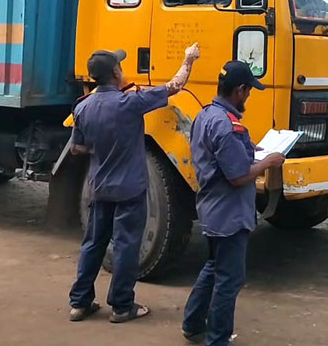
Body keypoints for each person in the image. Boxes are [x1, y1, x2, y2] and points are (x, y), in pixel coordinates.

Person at [68, 43, 201, 323]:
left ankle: (80, 303)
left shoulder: (83, 107)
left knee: (93, 243)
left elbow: (77, 149)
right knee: (127, 245)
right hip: (129, 188)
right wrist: (188, 59)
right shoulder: (129, 104)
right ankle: (121, 306)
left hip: (99, 187)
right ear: (116, 72)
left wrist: (101, 149)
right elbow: (174, 86)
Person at [182, 60, 285, 345]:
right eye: (249, 91)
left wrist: (249, 149)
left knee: (214, 267)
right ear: (239, 90)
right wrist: (268, 161)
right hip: (229, 213)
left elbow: (217, 152)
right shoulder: (229, 126)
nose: (249, 96)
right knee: (229, 281)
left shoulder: (206, 114)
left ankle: (192, 324)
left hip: (213, 208)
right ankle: (217, 339)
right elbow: (239, 176)